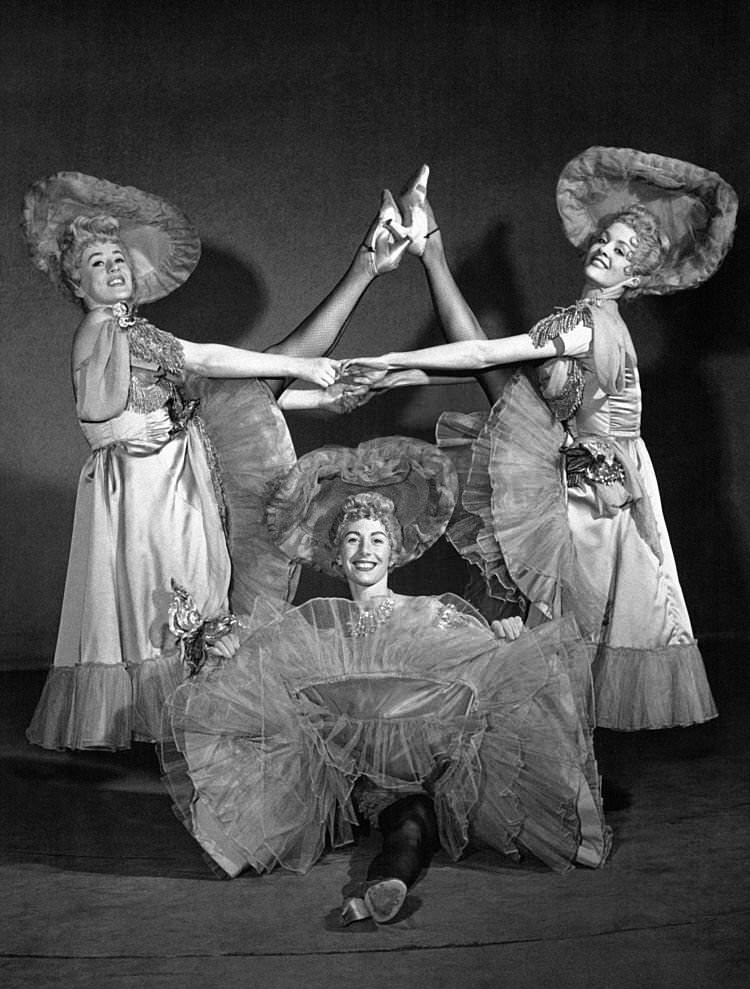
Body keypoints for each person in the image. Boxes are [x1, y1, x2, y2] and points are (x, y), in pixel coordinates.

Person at [21, 171, 418, 751]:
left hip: (174, 470)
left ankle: (365, 268)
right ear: (76, 283)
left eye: (118, 259)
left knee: (197, 584)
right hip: (146, 484)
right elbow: (204, 359)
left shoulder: (130, 331)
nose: (113, 269)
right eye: (97, 263)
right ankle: (365, 268)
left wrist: (315, 393)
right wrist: (301, 372)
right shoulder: (106, 329)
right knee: (168, 597)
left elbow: (201, 394)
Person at [347, 149, 738, 731]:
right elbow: (491, 370)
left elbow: (483, 354)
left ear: (635, 278)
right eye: (607, 239)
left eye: (623, 251)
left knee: (560, 647)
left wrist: (390, 360)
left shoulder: (585, 325)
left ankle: (564, 786)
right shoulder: (586, 319)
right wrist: (402, 373)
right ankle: (433, 248)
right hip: (576, 475)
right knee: (550, 646)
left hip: (592, 500)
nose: (606, 249)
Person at [161, 437, 610, 927]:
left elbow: (483, 666)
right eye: (353, 539)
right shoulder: (312, 627)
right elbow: (258, 673)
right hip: (339, 785)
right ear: (338, 552)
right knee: (390, 816)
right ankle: (368, 877)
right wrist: (226, 653)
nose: (365, 550)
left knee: (414, 825)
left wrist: (505, 638)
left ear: (393, 551)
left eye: (376, 539)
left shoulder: (431, 614)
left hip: (422, 779)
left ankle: (381, 889)